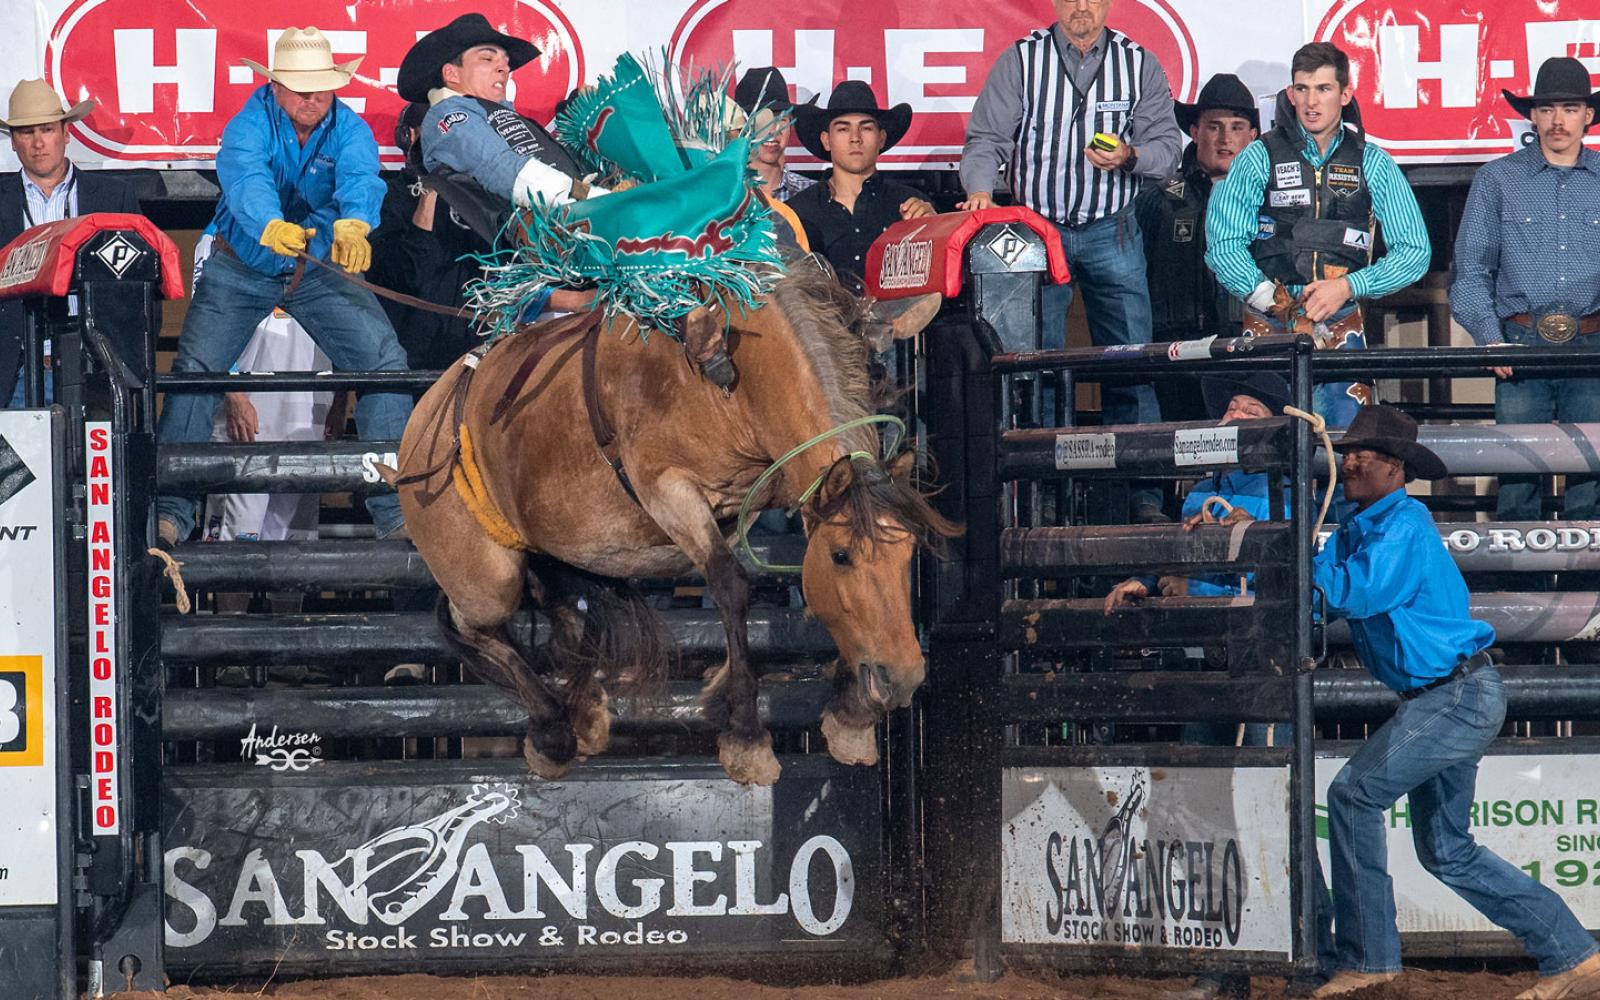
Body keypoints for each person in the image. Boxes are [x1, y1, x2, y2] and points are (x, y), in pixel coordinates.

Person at [1240, 404, 1599, 999]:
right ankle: (1571, 954)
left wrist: (1282, 552)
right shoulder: (1367, 525)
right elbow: (1320, 589)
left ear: (1395, 469)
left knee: (1354, 794)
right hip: (1455, 693)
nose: (1348, 461)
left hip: (1450, 698)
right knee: (1447, 850)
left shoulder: (1402, 525)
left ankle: (1371, 958)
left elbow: (1352, 592)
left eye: (1361, 455)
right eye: (1347, 451)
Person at [154, 27, 411, 546]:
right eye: (300, 86)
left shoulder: (350, 128)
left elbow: (362, 177)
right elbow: (244, 177)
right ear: (275, 87)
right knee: (196, 373)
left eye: (320, 85)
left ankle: (395, 509)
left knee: (385, 361)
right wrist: (268, 223)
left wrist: (357, 221)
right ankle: (169, 513)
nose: (313, 96)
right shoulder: (248, 124)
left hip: (315, 269)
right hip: (242, 266)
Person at [1205, 42, 1429, 429]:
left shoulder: (1371, 161)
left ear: (1344, 94)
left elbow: (1414, 252)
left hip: (1339, 318)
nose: (1311, 102)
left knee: (1345, 446)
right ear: (1290, 94)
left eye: (1323, 89)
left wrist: (1348, 287)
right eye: (1302, 89)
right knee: (1265, 442)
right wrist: (1270, 298)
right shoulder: (1257, 157)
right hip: (1267, 319)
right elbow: (1223, 244)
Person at [1451, 57, 1600, 527]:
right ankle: (1515, 597)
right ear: (1532, 116)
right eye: (1549, 108)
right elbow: (1471, 269)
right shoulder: (1497, 180)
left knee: (1591, 484)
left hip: (1593, 348)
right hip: (1516, 345)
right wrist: (1487, 335)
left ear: (1587, 116)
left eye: (1570, 108)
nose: (1559, 120)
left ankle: (1585, 599)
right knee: (1517, 480)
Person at [1, 78, 140, 407]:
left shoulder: (113, 197)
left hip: (95, 369)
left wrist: (125, 364)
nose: (38, 142)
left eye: (47, 129)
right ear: (13, 142)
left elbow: (141, 290)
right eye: (26, 132)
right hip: (14, 373)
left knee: (96, 459)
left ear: (66, 134)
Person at [1135, 74, 1259, 421]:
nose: (1225, 139)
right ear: (1194, 132)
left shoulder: (1270, 199)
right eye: (1214, 127)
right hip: (1175, 354)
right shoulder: (1159, 198)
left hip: (1249, 350)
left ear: (1253, 136)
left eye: (1237, 128)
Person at [786, 81, 934, 281]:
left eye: (865, 128)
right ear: (826, 140)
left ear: (881, 138)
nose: (855, 138)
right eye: (843, 129)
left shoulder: (913, 206)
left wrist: (935, 229)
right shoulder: (796, 213)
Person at [731, 67, 815, 203]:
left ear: (790, 123)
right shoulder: (724, 198)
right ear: (741, 127)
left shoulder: (813, 195)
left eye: (781, 119)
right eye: (761, 120)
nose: (772, 130)